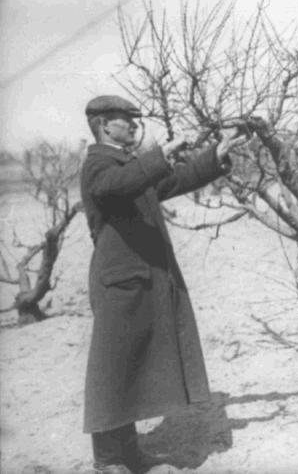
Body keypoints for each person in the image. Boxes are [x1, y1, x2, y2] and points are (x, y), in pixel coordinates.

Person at [80, 95, 247, 474]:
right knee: (113, 369)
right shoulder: (98, 164)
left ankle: (129, 453)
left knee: (131, 366)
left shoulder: (127, 166)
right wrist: (158, 156)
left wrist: (214, 155)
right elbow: (116, 187)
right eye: (125, 119)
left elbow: (172, 180)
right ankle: (107, 460)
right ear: (104, 125)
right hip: (120, 282)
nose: (134, 125)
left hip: (137, 279)